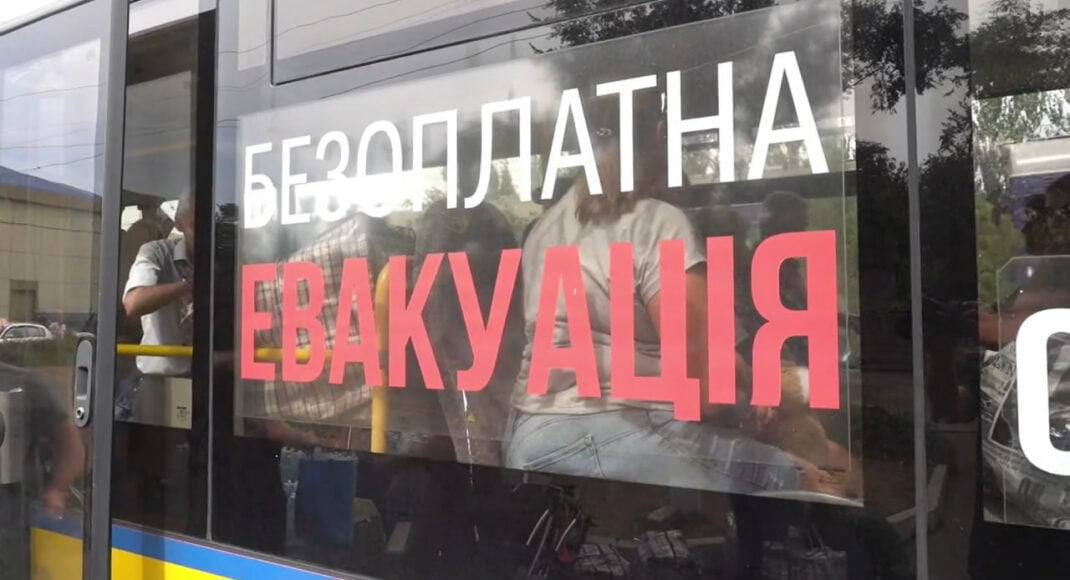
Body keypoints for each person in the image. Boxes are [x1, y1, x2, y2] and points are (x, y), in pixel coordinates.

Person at [502, 128, 808, 495]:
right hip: (612, 434)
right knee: (794, 475)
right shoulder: (657, 222)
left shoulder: (545, 227)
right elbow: (708, 391)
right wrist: (754, 398)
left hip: (527, 434)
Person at [123, 194, 195, 377]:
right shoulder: (155, 252)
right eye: (195, 225)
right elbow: (133, 303)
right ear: (178, 224)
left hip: (208, 375)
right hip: (159, 378)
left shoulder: (225, 258)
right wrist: (188, 286)